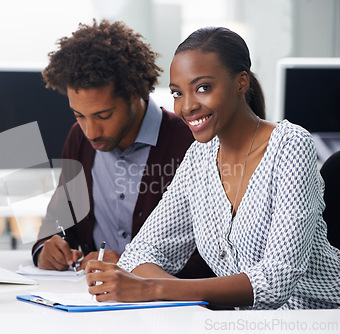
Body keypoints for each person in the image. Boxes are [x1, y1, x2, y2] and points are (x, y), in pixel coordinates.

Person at [85, 27, 340, 310]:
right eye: (177, 93)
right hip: (238, 323)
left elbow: (275, 282)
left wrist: (152, 287)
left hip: (316, 319)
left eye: (203, 88)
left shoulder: (291, 146)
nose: (188, 106)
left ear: (241, 83)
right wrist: (148, 286)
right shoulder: (199, 156)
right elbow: (140, 253)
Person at [32, 19, 214, 280]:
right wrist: (47, 248)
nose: (91, 131)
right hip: (94, 300)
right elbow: (61, 219)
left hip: (167, 307)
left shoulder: (190, 142)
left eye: (103, 115)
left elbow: (212, 253)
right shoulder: (79, 139)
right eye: (79, 115)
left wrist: (132, 265)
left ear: (134, 93)